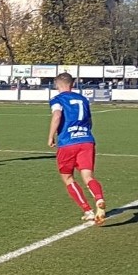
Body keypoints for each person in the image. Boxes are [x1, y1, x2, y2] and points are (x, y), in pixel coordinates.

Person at [48, 72, 106, 225]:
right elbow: (90, 121)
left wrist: (51, 136)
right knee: (88, 177)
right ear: (72, 84)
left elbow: (57, 116)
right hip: (87, 141)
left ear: (56, 85)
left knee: (67, 178)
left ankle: (87, 210)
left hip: (68, 142)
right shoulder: (83, 99)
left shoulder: (57, 99)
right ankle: (99, 198)